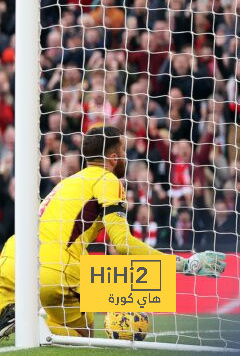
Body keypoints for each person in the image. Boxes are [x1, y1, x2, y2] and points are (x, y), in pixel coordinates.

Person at [38, 126, 227, 337]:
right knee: (90, 333)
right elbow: (123, 244)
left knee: (83, 333)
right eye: (123, 151)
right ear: (113, 157)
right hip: (63, 270)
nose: (126, 156)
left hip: (32, 269)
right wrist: (185, 264)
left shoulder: (67, 183)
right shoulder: (108, 180)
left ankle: (34, 325)